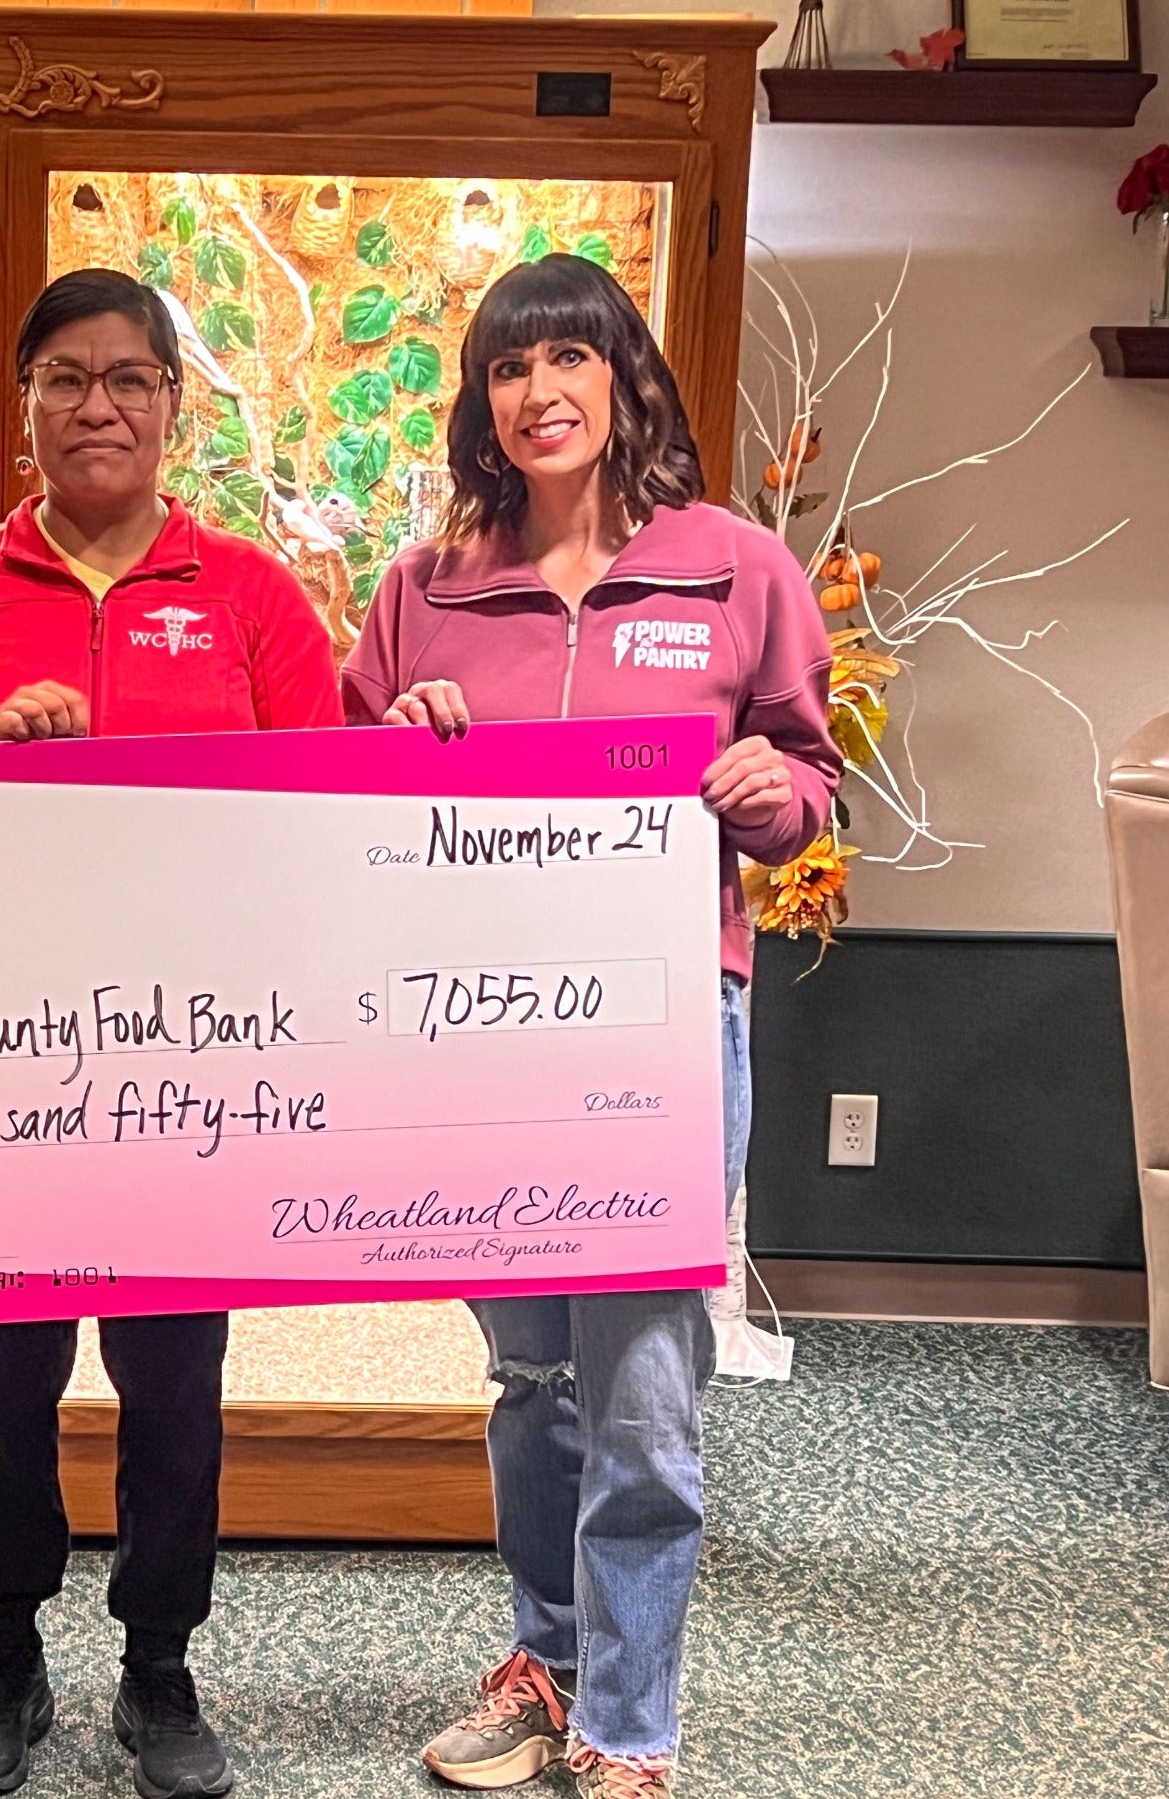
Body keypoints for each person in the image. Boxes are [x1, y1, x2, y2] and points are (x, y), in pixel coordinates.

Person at [344, 254, 839, 1799]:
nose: (540, 391)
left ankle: (632, 1721)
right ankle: (546, 1662)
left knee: (641, 1387)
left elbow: (810, 786)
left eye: (571, 357)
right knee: (534, 1379)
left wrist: (773, 792)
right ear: (481, 402)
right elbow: (344, 803)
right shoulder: (425, 588)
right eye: (509, 366)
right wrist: (404, 747)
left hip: (668, 1022)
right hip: (481, 1038)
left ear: (627, 379)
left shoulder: (735, 569)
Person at [0, 268, 341, 1797]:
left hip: (190, 1070)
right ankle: (3, 1659)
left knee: (175, 1376)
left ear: (174, 407)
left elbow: (323, 815)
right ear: (26, 409)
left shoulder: (252, 595)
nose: (99, 406)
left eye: (129, 378)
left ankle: (161, 1667)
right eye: (66, 378)